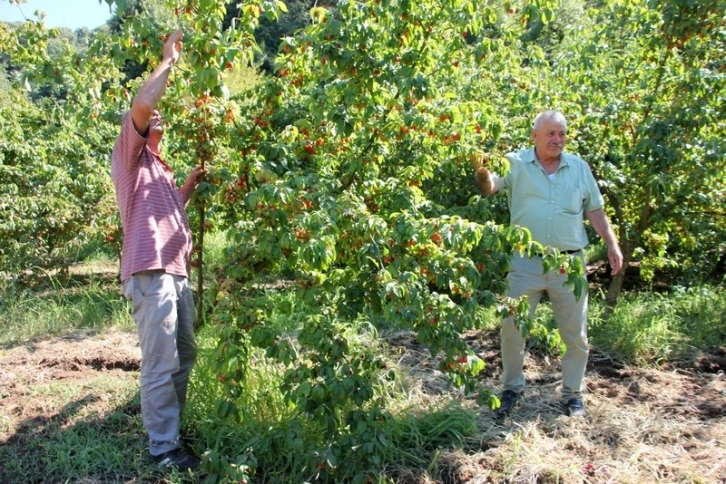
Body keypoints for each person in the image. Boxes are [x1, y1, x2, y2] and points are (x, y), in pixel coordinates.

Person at [472, 110, 623, 417]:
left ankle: (572, 395)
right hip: (525, 262)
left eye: (562, 134)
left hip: (569, 265)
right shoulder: (515, 163)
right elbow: (490, 188)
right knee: (512, 327)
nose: (558, 139)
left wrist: (611, 243)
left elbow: (594, 210)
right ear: (535, 136)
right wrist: (481, 172)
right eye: (551, 134)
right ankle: (512, 388)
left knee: (575, 333)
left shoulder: (579, 168)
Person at [111, 31, 204, 472]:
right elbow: (144, 103)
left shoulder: (161, 171)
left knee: (184, 355)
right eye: (153, 118)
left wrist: (188, 184)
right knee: (162, 361)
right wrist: (169, 60)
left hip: (175, 273)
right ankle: (162, 449)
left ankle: (169, 428)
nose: (158, 116)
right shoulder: (131, 155)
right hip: (151, 273)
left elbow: (172, 214)